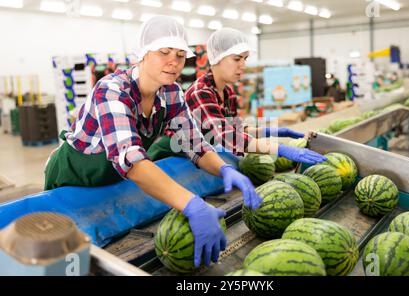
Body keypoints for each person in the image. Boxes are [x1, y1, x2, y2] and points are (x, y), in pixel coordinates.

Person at [44, 16, 261, 268]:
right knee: (65, 259)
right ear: (143, 54)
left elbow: (195, 144)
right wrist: (192, 204)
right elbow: (132, 161)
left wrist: (224, 169)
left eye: (180, 55)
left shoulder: (171, 92)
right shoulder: (112, 91)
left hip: (112, 180)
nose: (174, 62)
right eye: (164, 52)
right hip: (71, 180)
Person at [159, 28, 327, 165]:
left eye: (245, 59)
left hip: (196, 154)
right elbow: (225, 136)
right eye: (237, 59)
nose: (243, 65)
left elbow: (237, 129)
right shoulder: (200, 93)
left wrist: (271, 131)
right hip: (169, 156)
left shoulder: (227, 92)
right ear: (217, 57)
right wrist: (280, 149)